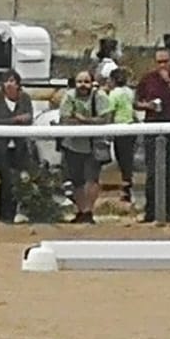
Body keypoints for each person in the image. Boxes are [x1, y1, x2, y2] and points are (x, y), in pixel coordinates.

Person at [133, 47, 170, 223]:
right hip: (152, 126)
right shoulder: (147, 79)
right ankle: (151, 211)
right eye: (159, 62)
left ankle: (169, 211)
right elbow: (136, 102)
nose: (162, 65)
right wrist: (147, 106)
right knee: (152, 171)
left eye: (165, 62)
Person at [0, 70, 34, 224]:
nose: (9, 84)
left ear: (18, 84)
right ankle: (4, 213)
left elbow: (29, 118)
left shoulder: (25, 98)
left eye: (12, 81)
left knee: (17, 178)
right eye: (7, 81)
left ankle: (15, 212)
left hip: (19, 145)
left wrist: (15, 120)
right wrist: (16, 119)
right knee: (6, 177)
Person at [59, 71, 112, 225]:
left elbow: (106, 119)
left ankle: (88, 211)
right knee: (76, 181)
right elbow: (65, 119)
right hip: (73, 145)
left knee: (92, 179)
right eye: (80, 81)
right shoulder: (69, 96)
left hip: (95, 145)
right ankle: (82, 211)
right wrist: (91, 121)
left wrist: (82, 119)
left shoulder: (100, 96)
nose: (83, 85)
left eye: (86, 81)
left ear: (92, 83)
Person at [104, 67, 137, 205]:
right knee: (127, 159)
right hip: (130, 128)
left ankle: (126, 188)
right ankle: (127, 184)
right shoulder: (129, 92)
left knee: (122, 159)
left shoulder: (114, 94)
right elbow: (132, 107)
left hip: (119, 128)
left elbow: (110, 113)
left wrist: (108, 131)